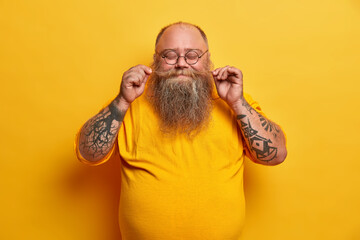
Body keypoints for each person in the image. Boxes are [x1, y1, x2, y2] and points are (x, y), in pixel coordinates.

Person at [75, 21, 287, 240]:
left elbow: (276, 155)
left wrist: (237, 102)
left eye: (192, 55)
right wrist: (121, 101)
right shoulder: (130, 103)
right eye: (169, 55)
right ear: (155, 60)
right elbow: (88, 153)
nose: (181, 63)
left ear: (207, 59)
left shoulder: (234, 104)